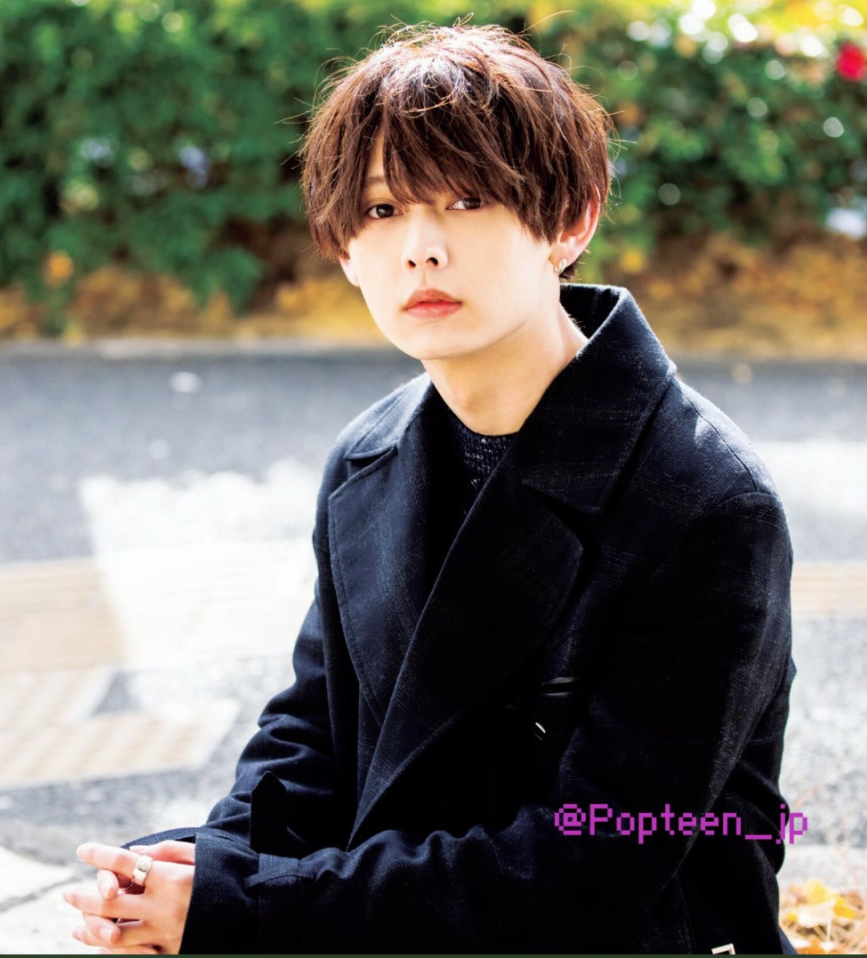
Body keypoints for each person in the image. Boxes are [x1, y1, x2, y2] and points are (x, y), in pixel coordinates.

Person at [64, 22, 796, 954]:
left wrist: (248, 908)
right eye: (380, 210)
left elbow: (592, 870)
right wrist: (196, 869)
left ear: (571, 221)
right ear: (343, 246)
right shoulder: (368, 455)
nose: (420, 248)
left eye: (468, 199)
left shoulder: (706, 502)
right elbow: (314, 736)